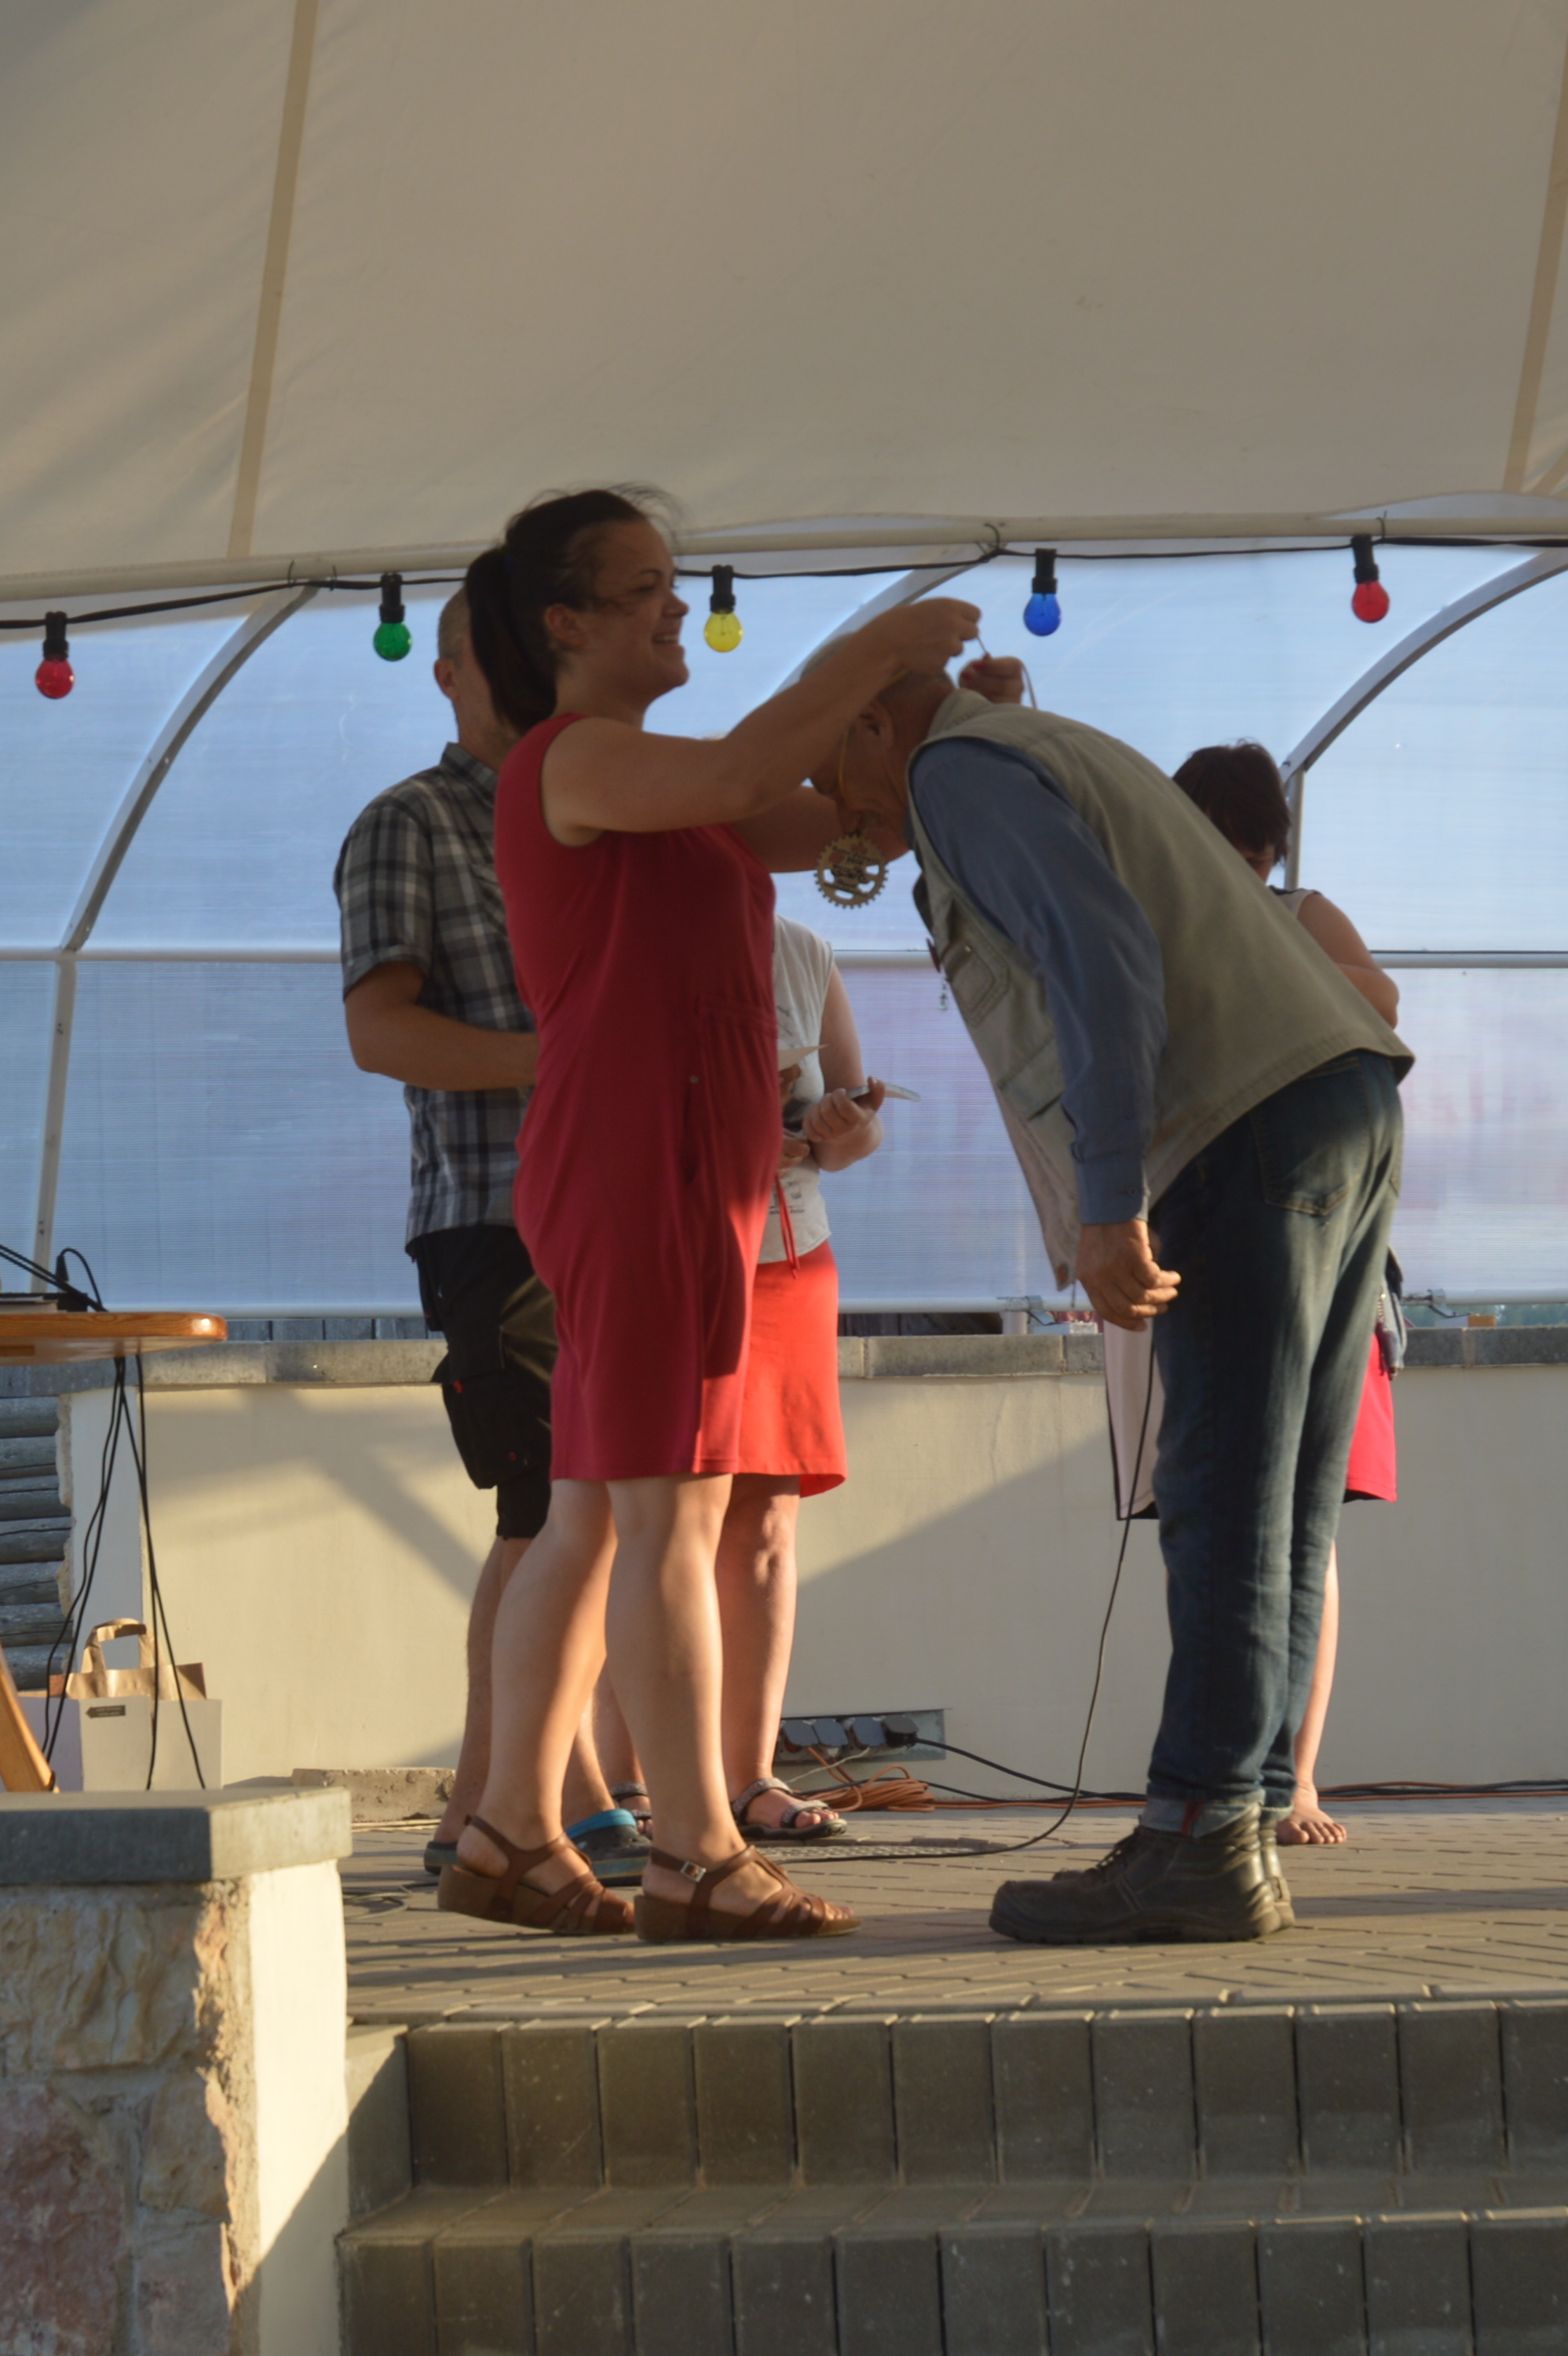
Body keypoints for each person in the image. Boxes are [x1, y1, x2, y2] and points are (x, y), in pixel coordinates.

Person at [443, 485, 974, 1943]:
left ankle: (509, 1828)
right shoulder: (576, 759)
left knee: (593, 1515)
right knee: (667, 1509)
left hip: (671, 1170)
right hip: (642, 1167)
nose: (678, 609)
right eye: (647, 589)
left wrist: (927, 722)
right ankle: (692, 1851)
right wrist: (872, 654)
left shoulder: (670, 787)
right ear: (564, 623)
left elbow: (839, 814)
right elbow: (755, 767)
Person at [806, 665, 1412, 1944]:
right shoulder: (1009, 751)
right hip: (1334, 1100)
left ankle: (1199, 1836)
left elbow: (1098, 953)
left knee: (1222, 1494)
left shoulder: (952, 770)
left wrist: (1108, 1199)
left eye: (829, 769)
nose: (831, 807)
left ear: (875, 720)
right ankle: (1239, 1816)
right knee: (1284, 1505)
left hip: (1240, 1119)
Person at [332, 591, 635, 1886]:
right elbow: (379, 1032)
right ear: (450, 671)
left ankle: (524, 1803)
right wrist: (560, 1061)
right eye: (500, 654)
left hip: (610, 1205)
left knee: (577, 1507)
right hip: (497, 1213)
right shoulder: (409, 822)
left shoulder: (600, 802)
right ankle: (496, 1811)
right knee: (550, 1507)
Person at [1125, 739, 1400, 1846]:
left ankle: (1281, 1778)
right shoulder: (1158, 924)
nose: (1244, 869)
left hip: (1299, 1242)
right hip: (1202, 1233)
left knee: (1291, 1519)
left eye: (1256, 852)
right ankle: (1241, 1771)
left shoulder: (1291, 918)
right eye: (1222, 847)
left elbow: (1380, 1000)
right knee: (1221, 1517)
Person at [588, 914, 891, 1845]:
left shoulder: (802, 948)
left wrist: (837, 1128)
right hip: (672, 1253)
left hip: (791, 1257)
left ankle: (749, 1776)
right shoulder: (628, 929)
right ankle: (627, 1780)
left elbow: (855, 1127)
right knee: (659, 1521)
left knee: (765, 1522)